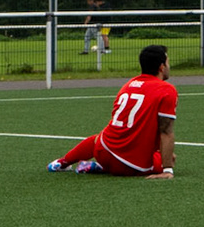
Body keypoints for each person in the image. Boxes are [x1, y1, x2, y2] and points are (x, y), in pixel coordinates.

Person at [47, 45, 178, 178]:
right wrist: (167, 169)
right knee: (167, 159)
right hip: (130, 165)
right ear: (161, 67)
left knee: (97, 139)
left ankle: (62, 163)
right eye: (168, 63)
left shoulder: (129, 85)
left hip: (103, 152)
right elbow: (166, 131)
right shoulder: (166, 90)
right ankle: (103, 167)